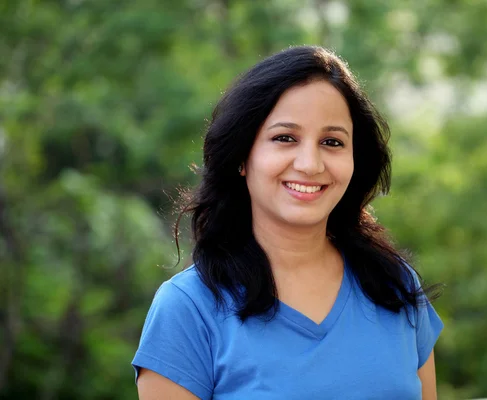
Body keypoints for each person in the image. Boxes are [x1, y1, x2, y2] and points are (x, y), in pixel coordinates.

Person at [132, 45, 443, 400]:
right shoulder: (187, 309)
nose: (310, 164)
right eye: (285, 138)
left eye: (332, 141)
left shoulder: (395, 286)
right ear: (242, 157)